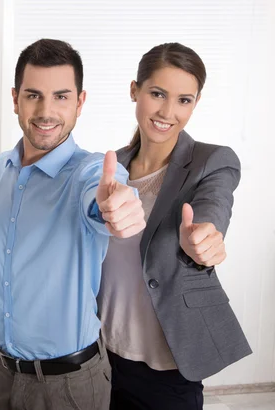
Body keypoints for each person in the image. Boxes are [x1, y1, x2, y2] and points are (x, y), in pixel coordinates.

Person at [0, 39, 146, 410]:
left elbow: (105, 196)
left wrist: (117, 205)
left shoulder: (88, 174)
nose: (46, 111)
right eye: (33, 95)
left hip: (65, 385)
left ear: (80, 103)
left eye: (61, 97)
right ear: (15, 98)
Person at [98, 42, 252, 410]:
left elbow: (213, 209)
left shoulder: (211, 161)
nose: (168, 111)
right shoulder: (109, 168)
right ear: (134, 90)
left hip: (169, 365)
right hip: (102, 359)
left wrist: (203, 238)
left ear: (196, 103)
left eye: (184, 100)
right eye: (157, 94)